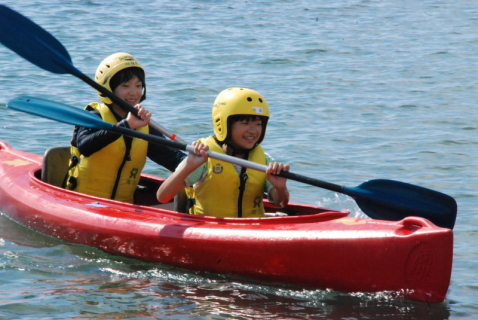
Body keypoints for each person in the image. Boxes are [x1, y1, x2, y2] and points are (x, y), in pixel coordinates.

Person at [65, 52, 186, 203]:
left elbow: (170, 157)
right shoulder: (93, 116)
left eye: (139, 85)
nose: (134, 92)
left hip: (123, 207)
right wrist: (126, 126)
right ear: (108, 89)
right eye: (125, 86)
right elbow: (85, 146)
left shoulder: (143, 125)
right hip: (84, 202)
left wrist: (196, 163)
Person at [156, 87, 290, 218]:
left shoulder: (265, 161)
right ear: (224, 124)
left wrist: (280, 188)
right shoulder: (203, 157)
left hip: (251, 230)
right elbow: (163, 196)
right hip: (210, 230)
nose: (253, 130)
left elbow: (281, 203)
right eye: (245, 123)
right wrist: (188, 166)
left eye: (258, 124)